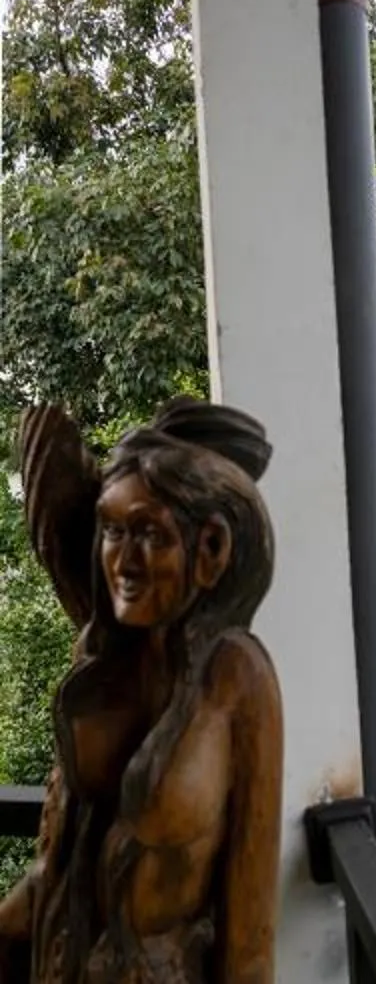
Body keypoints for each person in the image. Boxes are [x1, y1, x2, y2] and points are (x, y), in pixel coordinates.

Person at [0, 400, 283, 982]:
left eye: (149, 533)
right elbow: (56, 872)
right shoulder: (103, 658)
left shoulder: (236, 678)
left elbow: (249, 936)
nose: (123, 561)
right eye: (112, 530)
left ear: (211, 549)